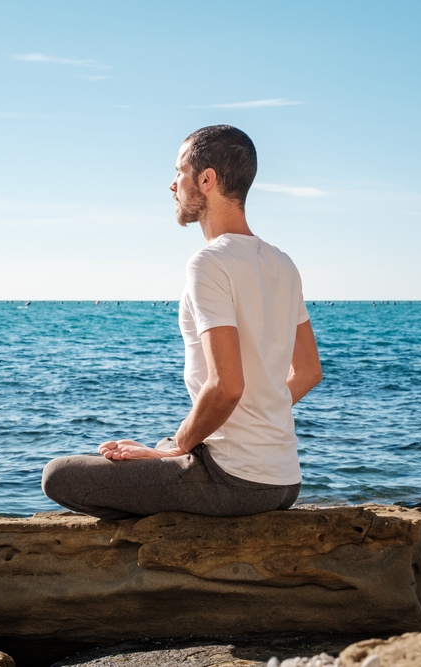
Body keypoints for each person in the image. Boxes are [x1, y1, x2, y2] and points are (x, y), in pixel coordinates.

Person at [41, 125, 322, 520]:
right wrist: (250, 416)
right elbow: (309, 372)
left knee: (59, 475)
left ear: (206, 179)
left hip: (234, 481)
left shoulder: (209, 263)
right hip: (284, 481)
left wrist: (178, 448)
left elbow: (226, 386)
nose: (172, 185)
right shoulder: (281, 262)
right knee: (156, 445)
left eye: (179, 172)